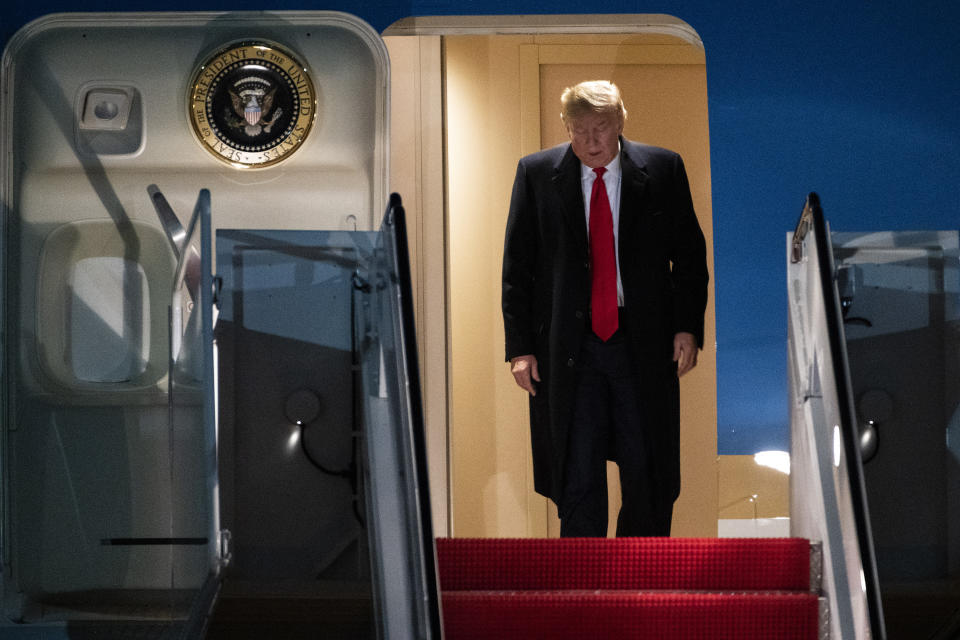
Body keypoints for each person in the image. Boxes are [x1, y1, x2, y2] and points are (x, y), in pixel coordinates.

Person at [501, 80, 708, 537]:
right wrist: (520, 348)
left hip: (642, 340)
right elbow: (518, 268)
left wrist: (687, 328)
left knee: (645, 465)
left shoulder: (662, 168)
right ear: (566, 128)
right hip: (569, 346)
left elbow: (690, 257)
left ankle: (642, 579)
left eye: (602, 128)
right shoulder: (536, 173)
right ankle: (583, 581)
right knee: (576, 467)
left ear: (620, 123)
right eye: (580, 131)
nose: (592, 142)